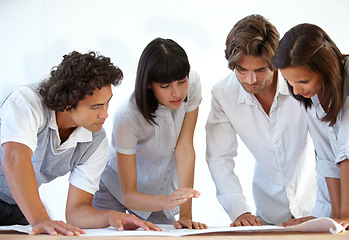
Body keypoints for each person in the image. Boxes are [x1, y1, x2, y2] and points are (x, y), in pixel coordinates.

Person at [0, 51, 160, 235]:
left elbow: (76, 211)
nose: (105, 114)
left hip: (17, 207)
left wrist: (109, 217)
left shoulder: (96, 141)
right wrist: (40, 218)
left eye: (107, 102)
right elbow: (14, 159)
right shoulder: (27, 102)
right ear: (67, 103)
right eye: (95, 107)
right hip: (25, 207)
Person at [206, 14, 317, 227]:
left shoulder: (302, 83)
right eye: (241, 70)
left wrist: (326, 208)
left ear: (274, 62)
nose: (250, 80)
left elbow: (330, 148)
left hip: (318, 209)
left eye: (260, 70)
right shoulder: (222, 94)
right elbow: (219, 158)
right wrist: (239, 211)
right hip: (268, 216)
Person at [93, 38, 207, 229]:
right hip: (116, 190)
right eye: (165, 86)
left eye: (182, 81)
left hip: (157, 196)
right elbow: (128, 194)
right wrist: (165, 202)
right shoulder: (127, 115)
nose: (177, 92)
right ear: (148, 84)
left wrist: (185, 215)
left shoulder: (193, 85)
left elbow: (184, 149)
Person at [273, 23, 349, 230]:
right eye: (289, 82)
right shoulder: (310, 94)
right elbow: (326, 157)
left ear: (325, 68)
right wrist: (335, 218)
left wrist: (347, 215)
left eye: (303, 81)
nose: (295, 90)